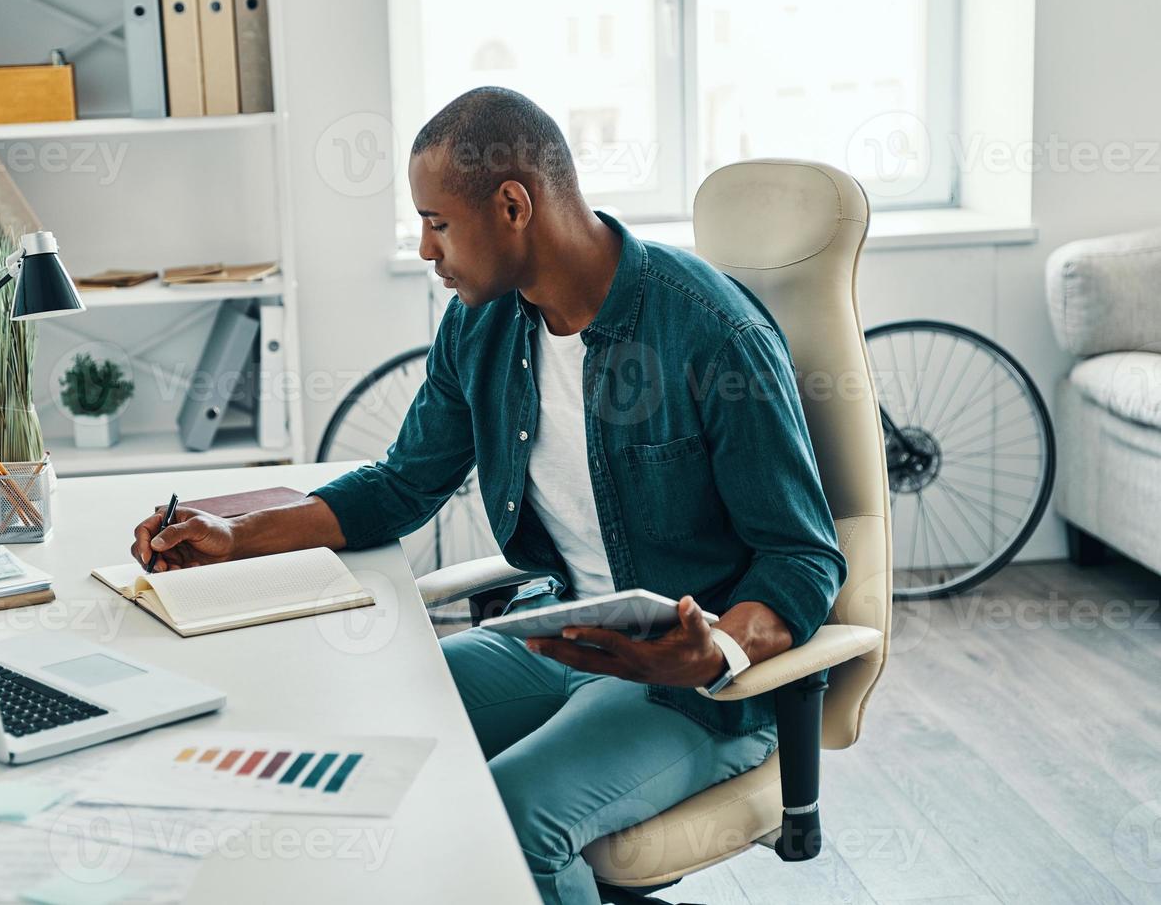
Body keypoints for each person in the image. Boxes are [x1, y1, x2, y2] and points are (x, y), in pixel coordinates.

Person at [129, 86, 845, 905]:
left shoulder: (711, 333)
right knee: (358, 737)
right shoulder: (485, 324)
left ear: (512, 205)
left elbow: (802, 555)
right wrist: (238, 534)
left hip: (696, 693)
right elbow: (403, 483)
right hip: (561, 635)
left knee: (511, 815)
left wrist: (718, 652)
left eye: (437, 223)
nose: (428, 251)